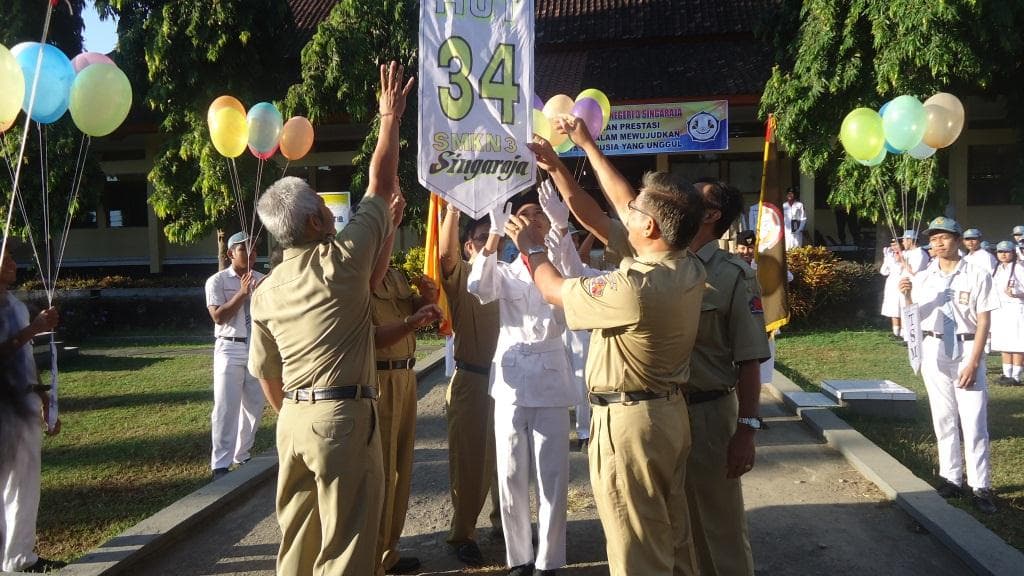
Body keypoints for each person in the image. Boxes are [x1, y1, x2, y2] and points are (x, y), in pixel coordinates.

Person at [247, 61, 412, 576]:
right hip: (342, 419)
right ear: (317, 221)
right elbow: (381, 183)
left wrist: (298, 412)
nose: (332, 214)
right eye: (325, 207)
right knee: (347, 546)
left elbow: (267, 375)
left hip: (293, 420)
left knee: (297, 539)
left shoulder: (267, 290)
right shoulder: (339, 261)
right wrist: (389, 117)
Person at [526, 119, 706, 576]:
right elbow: (603, 207)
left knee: (635, 547)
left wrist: (530, 247)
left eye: (634, 212)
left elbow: (553, 290)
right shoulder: (683, 263)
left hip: (630, 425)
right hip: (666, 416)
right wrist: (575, 156)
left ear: (647, 226)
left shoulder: (634, 287)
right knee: (670, 534)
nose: (625, 211)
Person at [466, 187, 580, 576]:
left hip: (549, 378)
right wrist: (495, 233)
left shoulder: (558, 264)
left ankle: (550, 560)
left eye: (540, 214)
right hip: (512, 380)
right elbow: (478, 288)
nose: (532, 218)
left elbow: (574, 279)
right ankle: (519, 557)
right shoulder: (505, 270)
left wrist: (563, 226)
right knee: (511, 473)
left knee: (552, 476)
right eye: (525, 213)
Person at [686, 181, 771, 576]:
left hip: (708, 415)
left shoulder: (732, 274)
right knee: (675, 526)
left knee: (719, 529)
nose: (682, 197)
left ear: (711, 214)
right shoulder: (663, 261)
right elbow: (604, 215)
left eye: (695, 196)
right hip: (663, 413)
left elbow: (750, 359)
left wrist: (746, 430)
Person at [898, 216, 999, 515]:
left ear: (957, 239)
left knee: (974, 420)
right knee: (943, 417)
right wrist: (906, 296)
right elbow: (913, 316)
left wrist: (974, 360)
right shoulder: (924, 276)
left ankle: (981, 485)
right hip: (934, 346)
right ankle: (951, 477)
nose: (937, 243)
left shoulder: (978, 273)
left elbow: (983, 320)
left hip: (966, 347)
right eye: (933, 239)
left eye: (944, 238)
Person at [370, 193, 442, 575]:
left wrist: (425, 300)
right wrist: (413, 321)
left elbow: (412, 312)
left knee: (402, 468)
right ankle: (373, 557)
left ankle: (389, 551)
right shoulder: (360, 277)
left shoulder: (395, 275)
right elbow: (372, 336)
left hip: (406, 376)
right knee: (380, 472)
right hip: (379, 380)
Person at [438, 208, 502, 566]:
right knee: (470, 463)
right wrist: (450, 209)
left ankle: (504, 523)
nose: (492, 243)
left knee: (507, 459)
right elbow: (444, 257)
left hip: (507, 383)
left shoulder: (509, 275)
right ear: (469, 248)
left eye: (496, 236)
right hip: (473, 381)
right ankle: (462, 533)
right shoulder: (462, 276)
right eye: (482, 238)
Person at [0, 246, 62, 574]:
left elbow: (25, 356)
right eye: (5, 258)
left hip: (23, 403)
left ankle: (18, 555)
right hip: (4, 406)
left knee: (23, 483)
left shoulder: (15, 305)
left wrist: (43, 397)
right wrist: (34, 329)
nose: (13, 264)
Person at [204, 231, 266, 481]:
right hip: (229, 347)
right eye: (244, 250)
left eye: (253, 250)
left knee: (254, 404)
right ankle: (220, 463)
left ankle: (242, 453)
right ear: (231, 254)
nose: (251, 255)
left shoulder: (263, 280)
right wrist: (242, 293)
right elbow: (218, 317)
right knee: (226, 405)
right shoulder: (217, 281)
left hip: (256, 346)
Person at [991, 241, 1024, 386]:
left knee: (1016, 344)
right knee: (1004, 343)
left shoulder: (1019, 268)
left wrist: (1016, 294)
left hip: (1016, 308)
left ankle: (1016, 377)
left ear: (1013, 253)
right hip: (1000, 309)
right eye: (1000, 252)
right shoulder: (997, 269)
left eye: (1007, 251)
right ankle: (1006, 374)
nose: (1003, 254)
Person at [880, 237, 906, 342]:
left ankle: (905, 334)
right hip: (892, 284)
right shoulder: (890, 256)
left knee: (903, 307)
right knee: (893, 308)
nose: (894, 247)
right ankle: (896, 333)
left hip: (903, 282)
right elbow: (884, 271)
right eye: (892, 245)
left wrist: (900, 260)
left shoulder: (907, 254)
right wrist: (886, 259)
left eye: (896, 245)